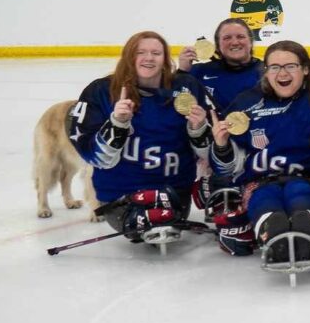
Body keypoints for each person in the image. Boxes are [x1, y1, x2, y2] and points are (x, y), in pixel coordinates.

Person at [209, 41, 310, 269]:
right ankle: (271, 231)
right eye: (274, 67)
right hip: (259, 184)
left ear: (306, 69)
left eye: (290, 66)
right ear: (266, 71)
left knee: (300, 201)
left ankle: (306, 228)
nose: (282, 73)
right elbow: (225, 168)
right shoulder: (247, 103)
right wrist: (221, 145)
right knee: (269, 208)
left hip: (307, 182)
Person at [68, 31, 209, 243]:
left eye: (156, 53)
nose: (149, 58)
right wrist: (117, 124)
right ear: (128, 56)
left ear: (165, 59)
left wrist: (198, 129)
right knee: (147, 223)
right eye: (140, 52)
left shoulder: (187, 87)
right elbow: (97, 158)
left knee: (161, 220)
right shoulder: (101, 91)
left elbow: (209, 152)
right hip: (120, 195)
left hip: (175, 192)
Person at [176, 18, 262, 112]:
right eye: (227, 38)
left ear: (251, 42)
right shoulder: (198, 72)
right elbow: (173, 101)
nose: (234, 42)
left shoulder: (266, 73)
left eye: (240, 37)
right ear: (217, 45)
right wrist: (182, 71)